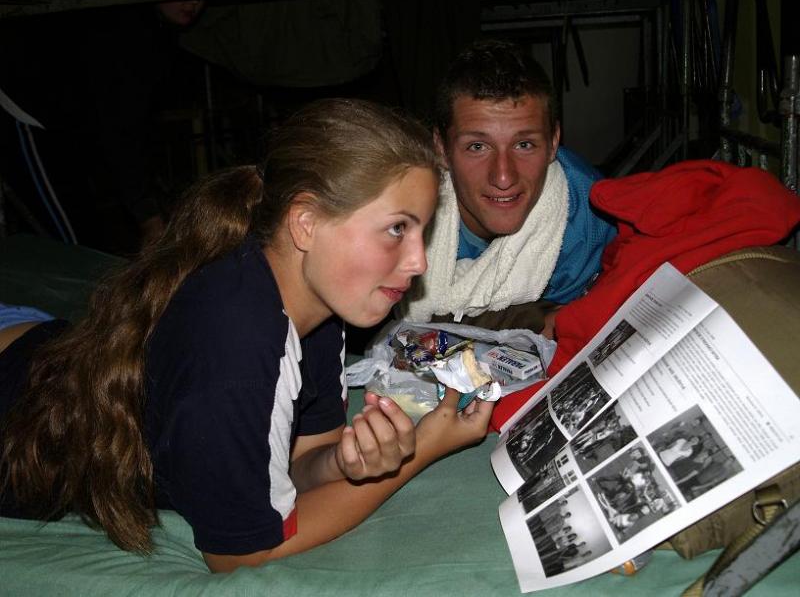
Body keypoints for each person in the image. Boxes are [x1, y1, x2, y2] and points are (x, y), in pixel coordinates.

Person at [0, 99, 494, 573]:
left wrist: (350, 460)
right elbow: (241, 556)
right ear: (305, 223)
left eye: (422, 232)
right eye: (397, 229)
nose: (419, 262)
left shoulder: (318, 303)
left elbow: (300, 462)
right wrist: (420, 452)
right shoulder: (238, 343)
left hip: (36, 342)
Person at [401, 40, 616, 335]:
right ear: (441, 148)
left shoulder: (593, 219)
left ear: (553, 142)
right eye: (477, 147)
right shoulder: (399, 211)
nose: (503, 177)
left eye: (524, 144)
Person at [0, 0, 205, 253]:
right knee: (70, 246)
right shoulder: (125, 27)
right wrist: (148, 217)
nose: (193, 2)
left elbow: (130, 127)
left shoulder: (159, 35)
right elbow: (121, 128)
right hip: (25, 108)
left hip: (67, 128)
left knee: (84, 235)